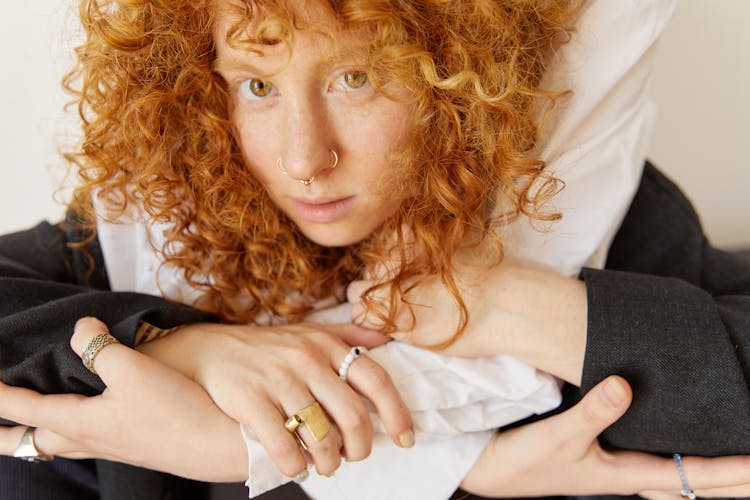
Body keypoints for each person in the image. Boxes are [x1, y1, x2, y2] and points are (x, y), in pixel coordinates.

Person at [0, 0, 748, 499]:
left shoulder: (620, 227)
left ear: (462, 77)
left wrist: (532, 310)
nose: (304, 159)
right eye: (256, 86)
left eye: (355, 78)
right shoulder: (153, 244)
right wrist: (181, 349)